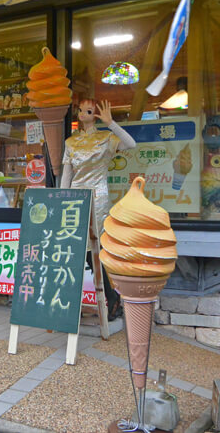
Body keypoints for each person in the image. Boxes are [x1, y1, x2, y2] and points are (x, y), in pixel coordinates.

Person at [60, 98, 136, 320]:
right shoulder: (70, 143)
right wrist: (62, 199)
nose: (83, 113)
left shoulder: (106, 138)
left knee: (94, 247)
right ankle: (105, 297)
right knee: (76, 248)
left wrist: (111, 123)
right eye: (81, 110)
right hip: (74, 199)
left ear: (96, 114)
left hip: (98, 198)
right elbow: (67, 175)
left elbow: (131, 144)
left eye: (89, 110)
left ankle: (109, 297)